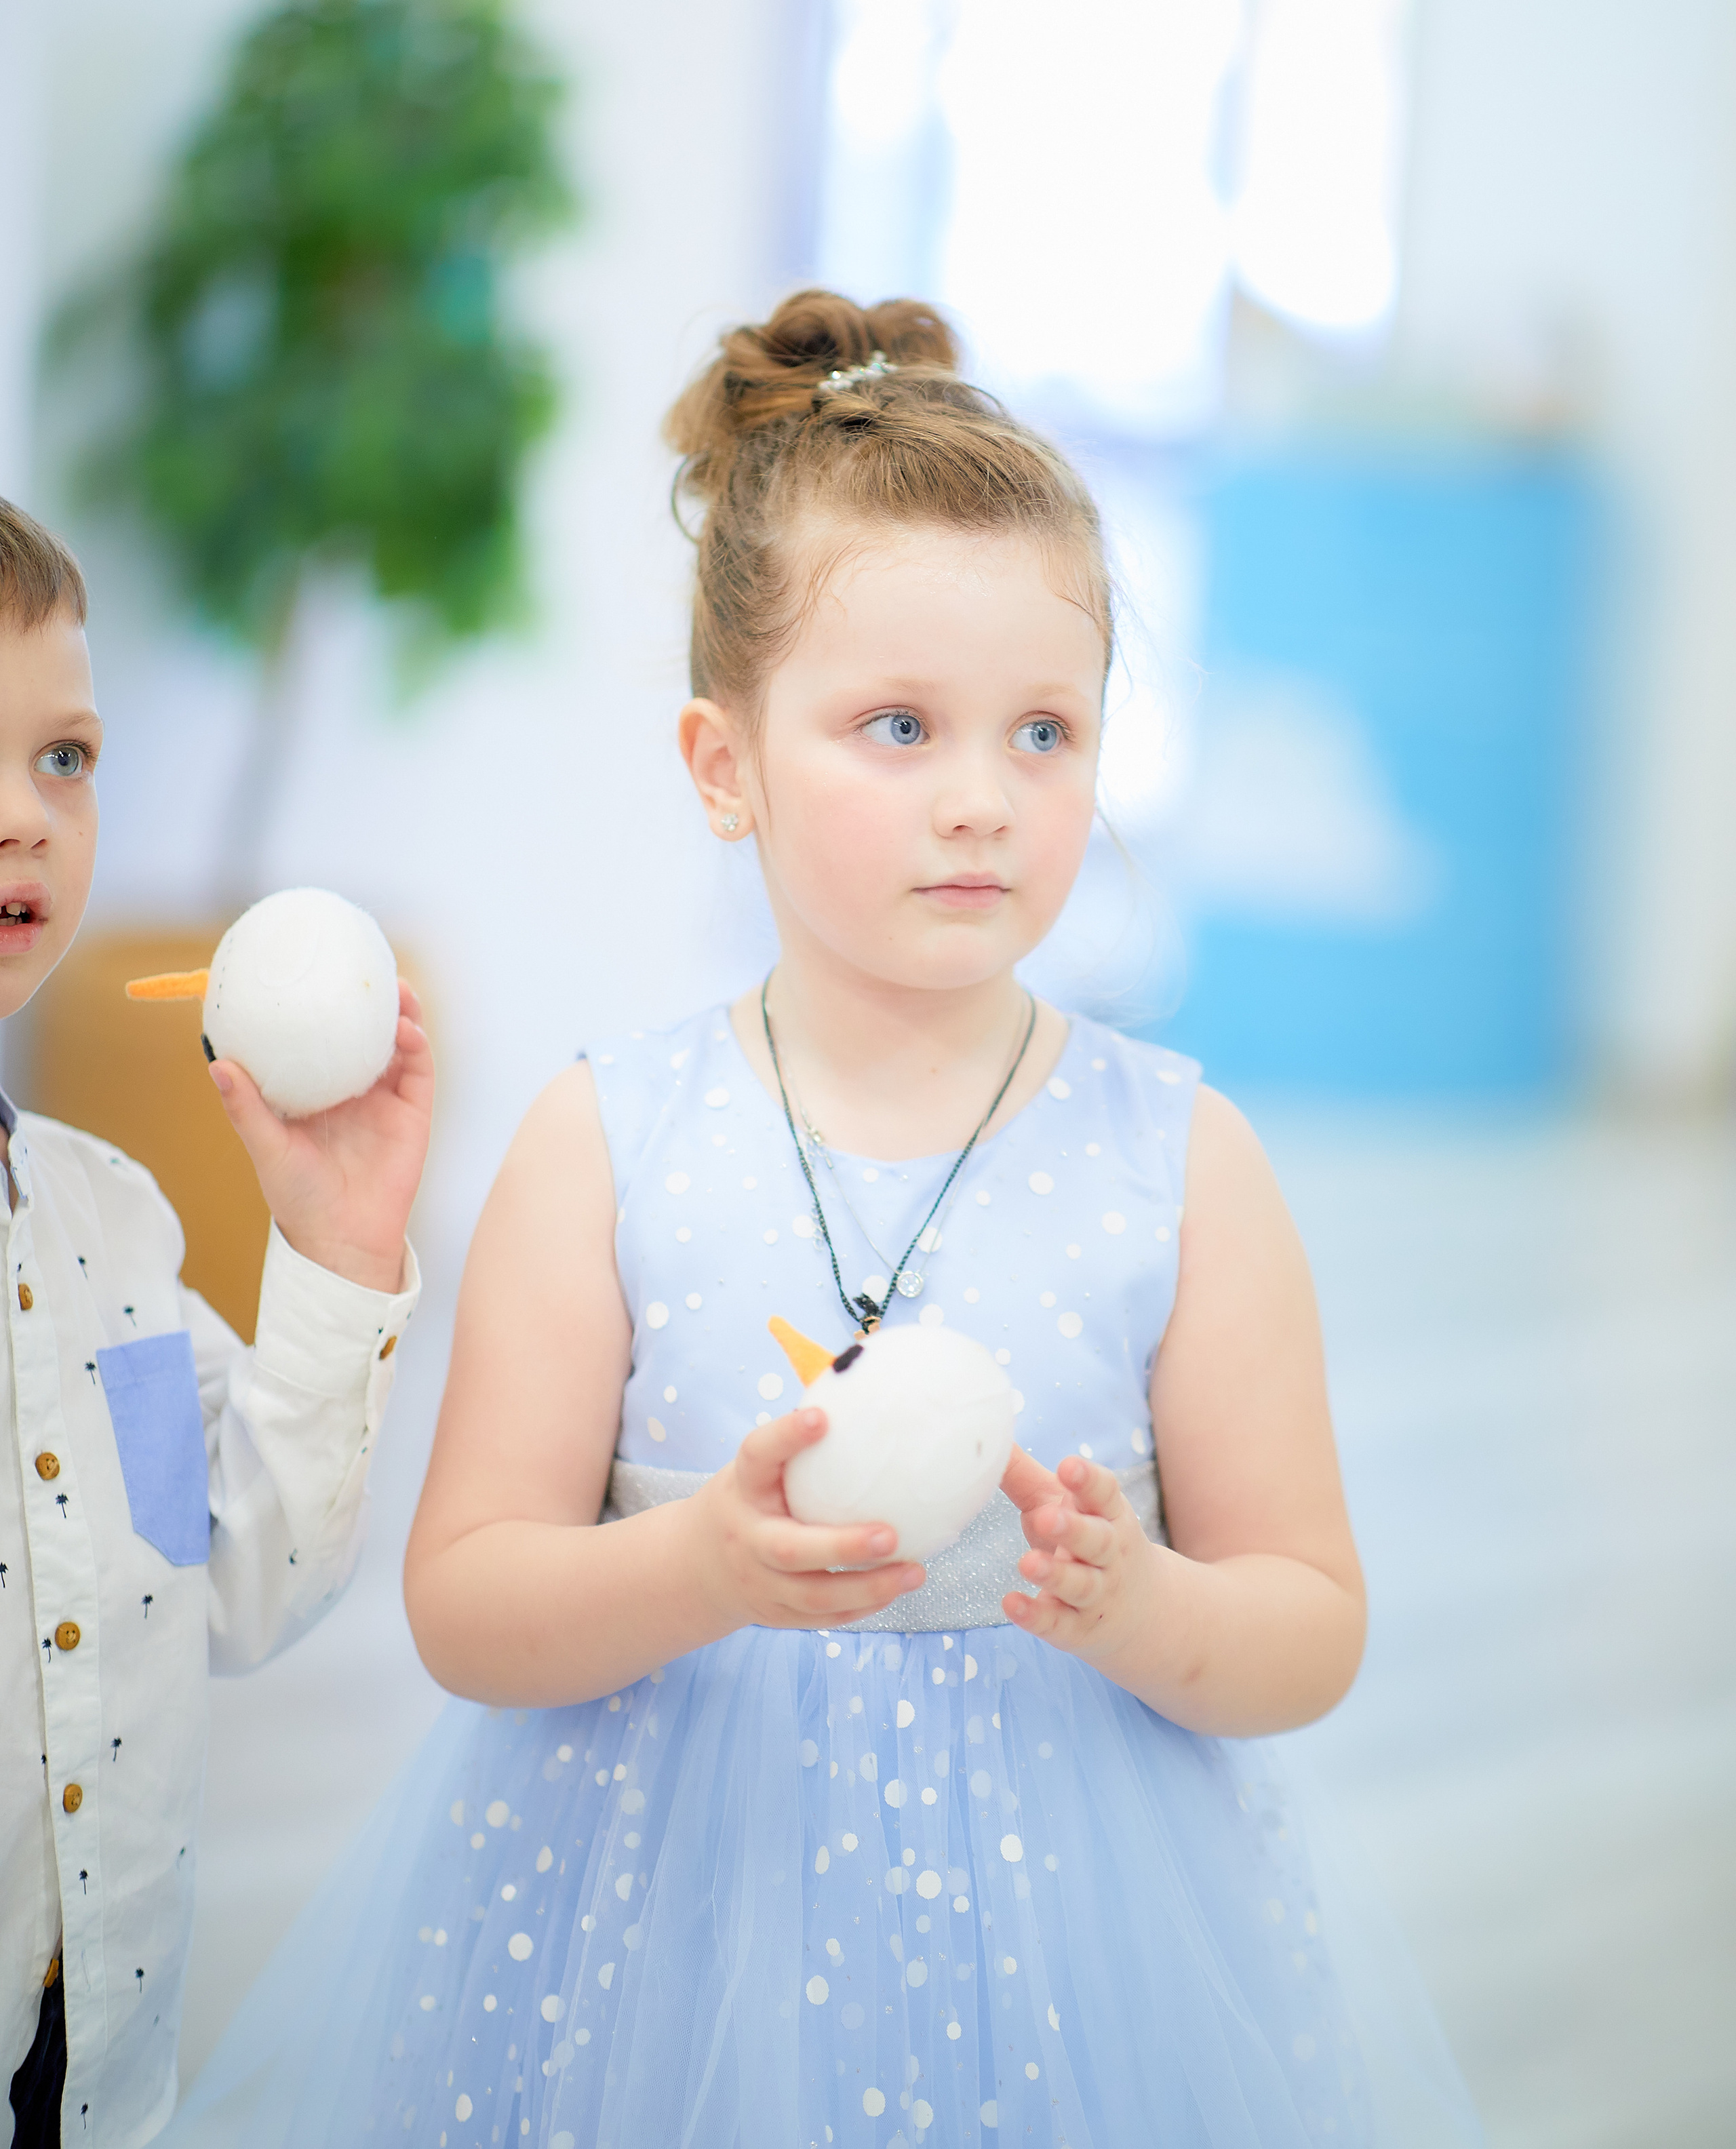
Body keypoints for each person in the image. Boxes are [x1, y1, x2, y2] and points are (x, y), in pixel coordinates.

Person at [166, 292, 1481, 2146]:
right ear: (727, 766)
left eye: (1045, 730)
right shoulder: (604, 1141)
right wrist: (697, 1565)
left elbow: (1310, 1623)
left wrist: (1142, 1604)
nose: (982, 798)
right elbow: (466, 1603)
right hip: (663, 1925)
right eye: (898, 726)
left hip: (1072, 1940)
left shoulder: (1184, 1159)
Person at [0, 497, 432, 2148]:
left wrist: (334, 1243)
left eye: (67, 758)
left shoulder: (107, 1226)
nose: (25, 818)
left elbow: (230, 1575)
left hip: (98, 2072)